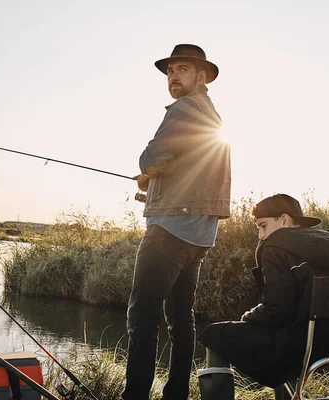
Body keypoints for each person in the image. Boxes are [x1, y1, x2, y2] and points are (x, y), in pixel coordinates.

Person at [121, 44, 231, 400]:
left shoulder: (184, 108)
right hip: (199, 236)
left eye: (182, 69)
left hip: (169, 230)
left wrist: (146, 169)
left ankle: (135, 395)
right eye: (170, 71)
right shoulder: (211, 114)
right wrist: (152, 177)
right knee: (181, 320)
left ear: (202, 75)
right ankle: (176, 395)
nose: (173, 77)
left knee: (143, 318)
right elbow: (182, 165)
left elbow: (153, 155)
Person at [196, 194, 329, 400]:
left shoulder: (275, 247)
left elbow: (276, 309)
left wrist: (248, 317)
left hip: (304, 347)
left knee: (215, 335)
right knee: (284, 330)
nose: (260, 235)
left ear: (284, 220)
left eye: (263, 226)